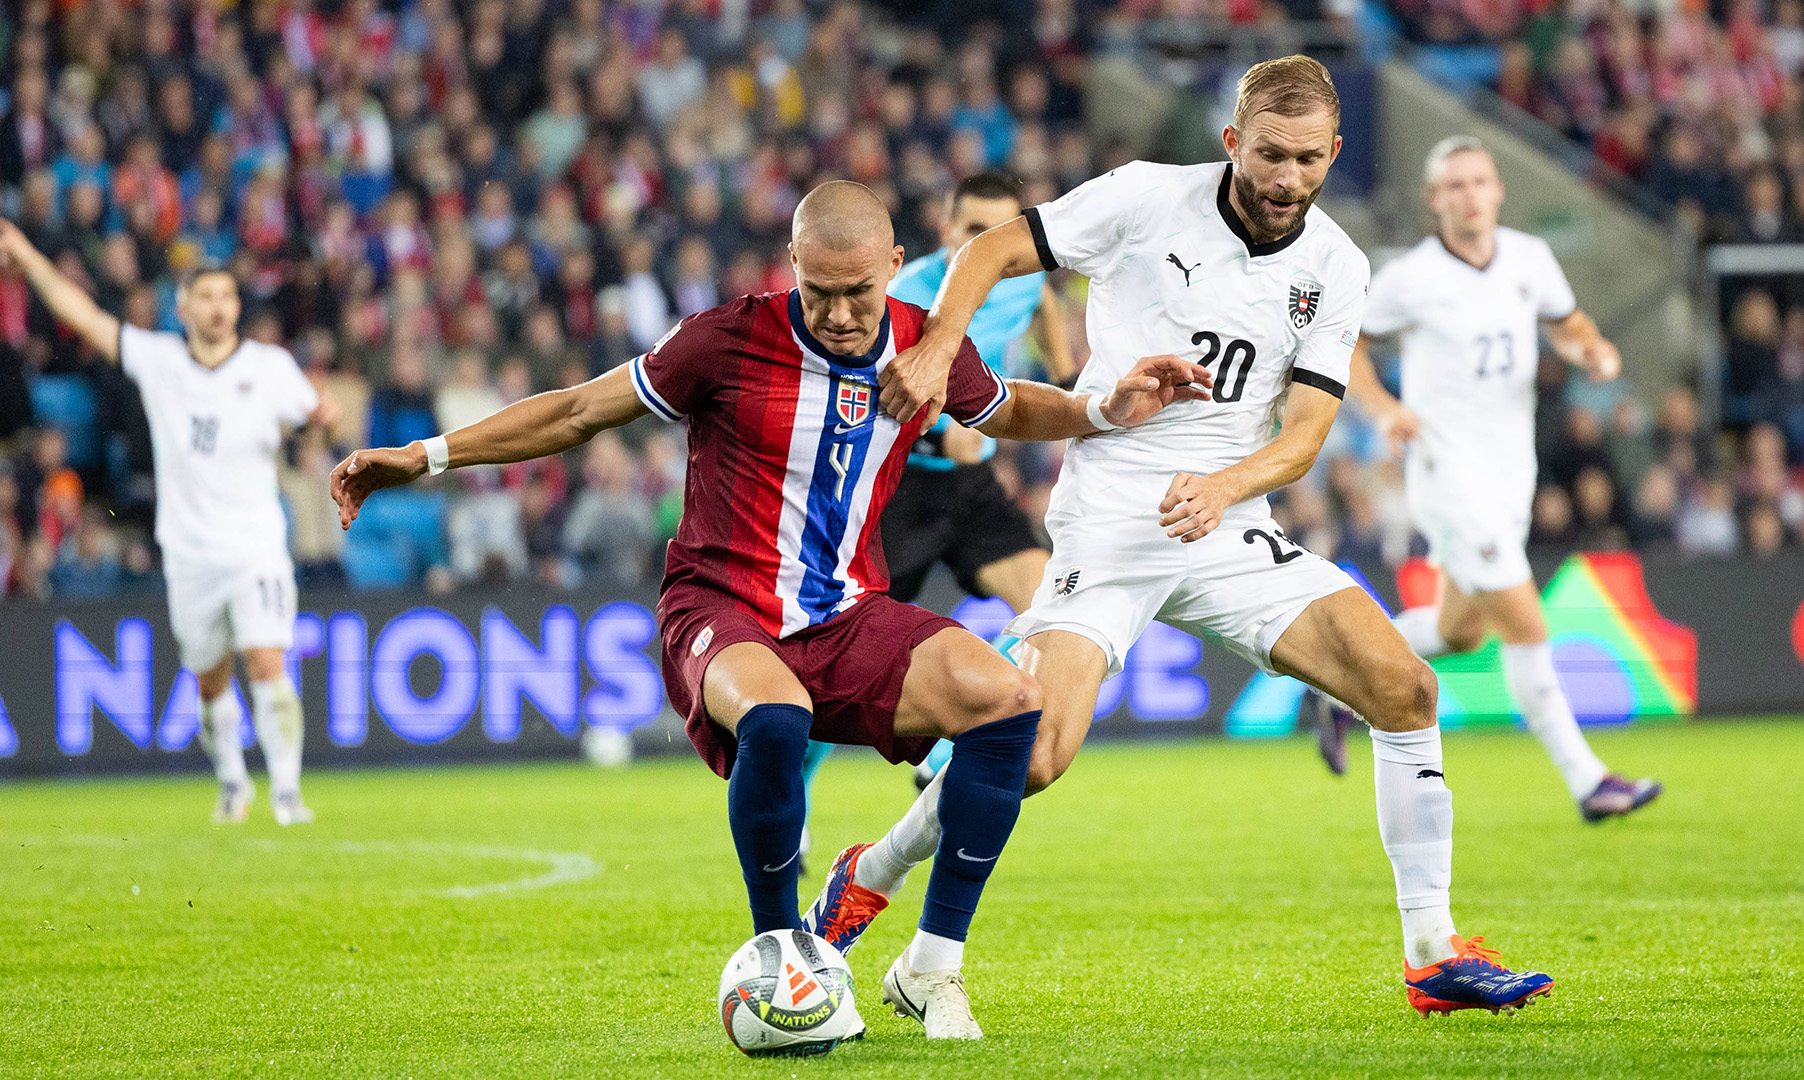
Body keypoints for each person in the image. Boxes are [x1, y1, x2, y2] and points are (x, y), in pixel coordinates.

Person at [330, 181, 1211, 1040]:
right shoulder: (725, 339)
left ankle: (932, 965)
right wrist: (426, 456)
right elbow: (577, 411)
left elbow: (1009, 408)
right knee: (779, 717)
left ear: (896, 265)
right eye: (817, 292)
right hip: (721, 604)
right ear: (791, 264)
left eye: (857, 292)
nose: (836, 314)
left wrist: (1105, 406)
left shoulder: (922, 344)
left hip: (846, 613)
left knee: (1009, 705)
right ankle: (785, 951)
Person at [814, 57, 1556, 1017]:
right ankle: (872, 869)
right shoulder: (1144, 200)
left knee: (1405, 687)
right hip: (1115, 519)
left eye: (1307, 159)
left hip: (1231, 523)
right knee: (1031, 757)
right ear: (1231, 142)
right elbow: (989, 251)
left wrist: (1225, 487)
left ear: (1334, 153)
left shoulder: (1336, 264)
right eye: (1269, 155)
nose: (1287, 179)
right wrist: (939, 346)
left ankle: (1432, 954)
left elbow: (1305, 435)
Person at [1328, 136, 1663, 824]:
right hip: (1447, 471)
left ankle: (1334, 683)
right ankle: (1589, 780)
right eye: (1455, 185)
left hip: (1512, 470)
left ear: (1499, 190)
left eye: (1480, 181)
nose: (1470, 195)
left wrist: (1591, 351)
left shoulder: (1529, 259)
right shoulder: (1410, 276)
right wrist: (1384, 408)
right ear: (1434, 200)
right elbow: (1348, 341)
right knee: (1525, 622)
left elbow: (1568, 326)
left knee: (1460, 634)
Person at [0, 220, 329, 827]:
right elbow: (84, 317)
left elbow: (316, 419)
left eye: (227, 297)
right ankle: (233, 782)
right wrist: (29, 258)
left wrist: (320, 426)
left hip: (256, 543)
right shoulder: (160, 360)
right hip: (189, 551)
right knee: (210, 679)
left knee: (267, 660)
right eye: (205, 297)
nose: (218, 307)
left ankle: (287, 791)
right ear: (183, 307)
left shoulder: (270, 365)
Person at [797, 171, 1080, 839]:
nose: (990, 245)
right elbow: (857, 386)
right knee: (837, 656)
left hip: (971, 486)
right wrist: (936, 418)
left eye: (1002, 232)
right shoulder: (907, 296)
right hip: (896, 487)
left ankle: (951, 750)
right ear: (948, 232)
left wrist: (1066, 372)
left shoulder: (1024, 278)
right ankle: (793, 787)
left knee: (1054, 604)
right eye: (975, 231)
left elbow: (1037, 306)